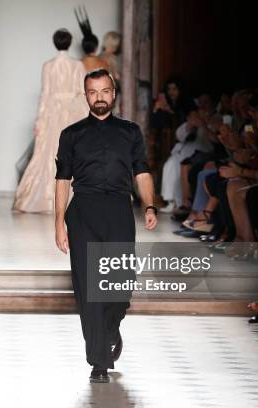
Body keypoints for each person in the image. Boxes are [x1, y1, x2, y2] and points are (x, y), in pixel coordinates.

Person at [54, 69, 157, 383]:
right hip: (82, 210)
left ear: (114, 93)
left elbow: (141, 171)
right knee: (89, 289)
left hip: (118, 210)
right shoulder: (71, 134)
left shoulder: (130, 132)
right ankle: (99, 361)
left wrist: (150, 204)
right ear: (85, 95)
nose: (99, 97)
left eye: (105, 91)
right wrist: (58, 223)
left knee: (122, 283)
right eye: (92, 91)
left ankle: (110, 329)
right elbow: (61, 180)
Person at [13, 29, 88, 213]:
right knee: (74, 152)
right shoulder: (78, 65)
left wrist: (40, 120)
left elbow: (45, 95)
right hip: (73, 112)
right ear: (69, 43)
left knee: (49, 154)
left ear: (55, 43)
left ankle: (46, 198)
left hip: (53, 113)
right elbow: (82, 92)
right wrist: (88, 116)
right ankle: (74, 198)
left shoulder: (48, 65)